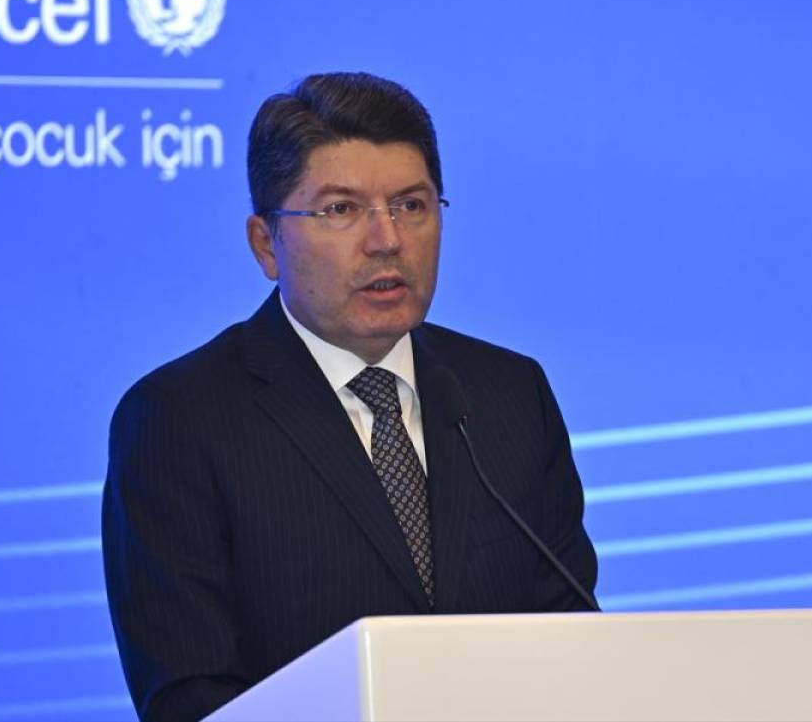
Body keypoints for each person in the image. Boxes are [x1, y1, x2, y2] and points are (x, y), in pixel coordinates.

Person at [102, 72, 598, 722]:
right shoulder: (180, 420)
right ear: (265, 243)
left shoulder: (510, 393)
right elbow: (191, 698)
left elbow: (574, 643)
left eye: (411, 205)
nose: (386, 239)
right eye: (340, 209)